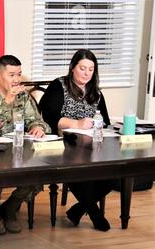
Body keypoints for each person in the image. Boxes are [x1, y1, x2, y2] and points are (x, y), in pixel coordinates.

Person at [0, 55, 51, 234]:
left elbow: (36, 120)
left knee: (38, 170)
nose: (16, 80)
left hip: (17, 148)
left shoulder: (22, 95)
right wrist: (7, 100)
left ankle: (10, 208)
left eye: (19, 74)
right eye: (12, 75)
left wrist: (37, 127)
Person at [39, 49, 113, 231]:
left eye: (91, 69)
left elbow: (106, 121)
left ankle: (78, 210)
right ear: (72, 67)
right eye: (82, 68)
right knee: (74, 168)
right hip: (63, 143)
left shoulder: (95, 91)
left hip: (91, 145)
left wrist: (99, 124)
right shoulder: (59, 85)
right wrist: (77, 123)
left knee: (116, 173)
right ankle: (94, 213)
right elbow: (50, 117)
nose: (87, 73)